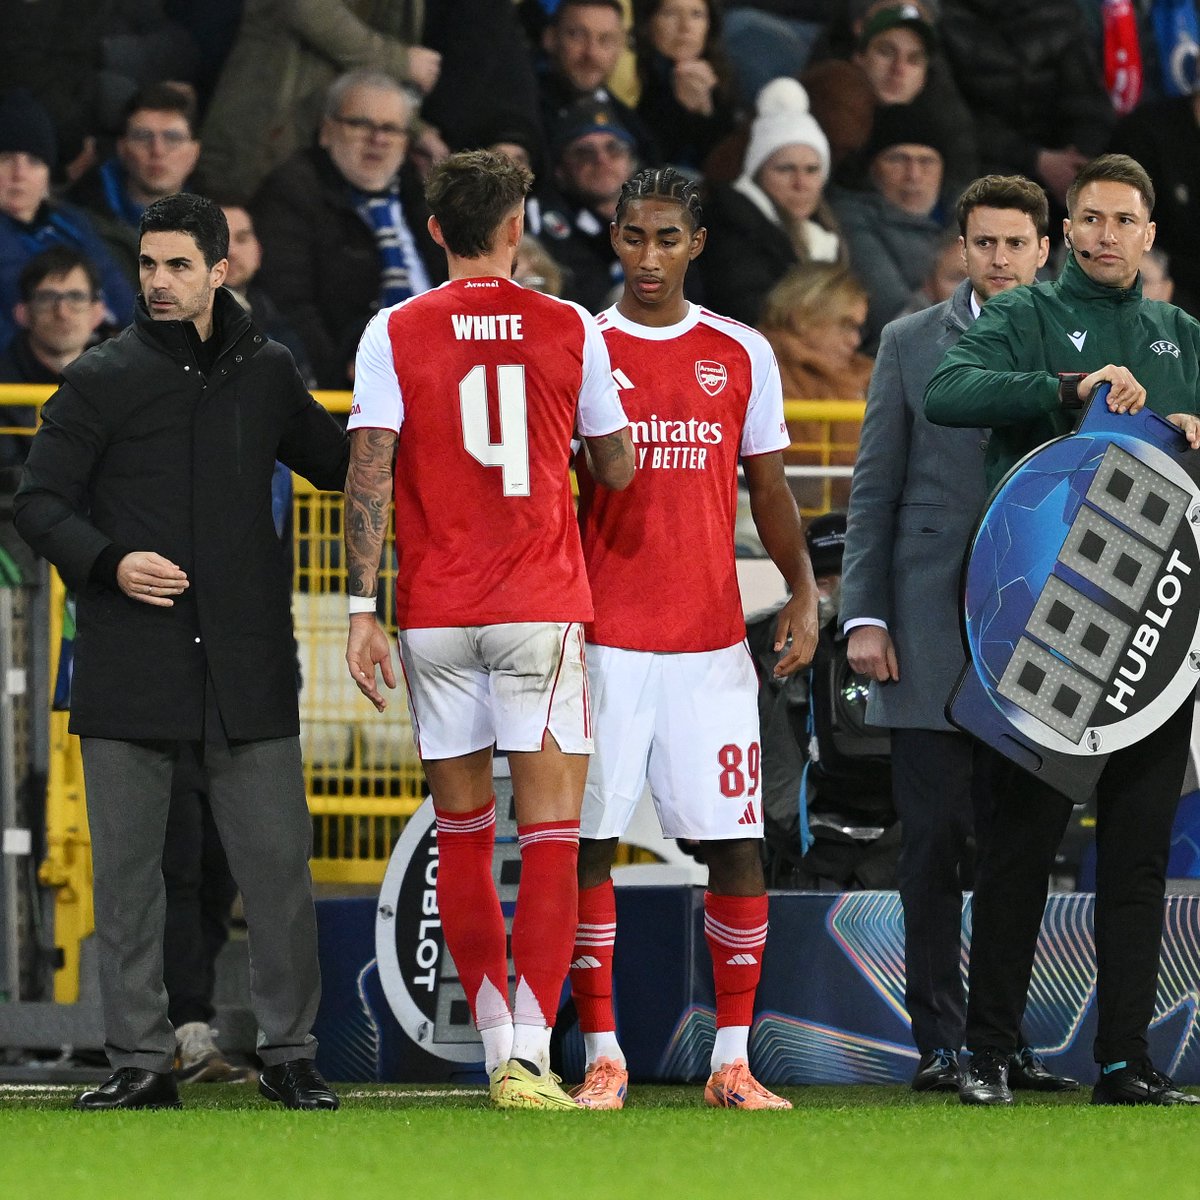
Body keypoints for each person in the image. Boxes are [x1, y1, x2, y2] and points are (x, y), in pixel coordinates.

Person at [13, 193, 349, 1112]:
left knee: (278, 871)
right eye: (148, 267)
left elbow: (345, 464)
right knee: (129, 880)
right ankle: (139, 1061)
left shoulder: (271, 372)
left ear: (219, 271)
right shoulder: (101, 377)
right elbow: (37, 503)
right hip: (131, 658)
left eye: (177, 266)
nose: (158, 282)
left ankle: (291, 1054)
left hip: (245, 666)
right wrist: (112, 562)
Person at [342, 149, 634, 1110]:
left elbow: (371, 472)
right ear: (518, 227)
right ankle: (533, 1057)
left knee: (463, 833)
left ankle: (494, 1045)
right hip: (539, 610)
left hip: (436, 614)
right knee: (550, 835)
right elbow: (619, 467)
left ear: (434, 232)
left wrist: (360, 609)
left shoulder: (393, 330)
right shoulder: (573, 329)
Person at [925, 154, 1200, 1106]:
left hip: (1154, 632)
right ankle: (989, 1052)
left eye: (1126, 220)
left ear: (1148, 235)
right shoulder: (1024, 314)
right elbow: (946, 393)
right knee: (1018, 851)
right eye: (1091, 219)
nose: (1107, 235)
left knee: (1135, 856)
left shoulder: (1179, 334)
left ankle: (1126, 1061)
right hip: (1045, 622)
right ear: (1068, 231)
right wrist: (1064, 384)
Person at [568, 166, 820, 1111]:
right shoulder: (582, 346)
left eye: (667, 238)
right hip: (602, 643)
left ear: (697, 244)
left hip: (712, 647)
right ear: (615, 238)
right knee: (589, 842)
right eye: (633, 236)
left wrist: (801, 592)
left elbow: (769, 488)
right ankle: (604, 1055)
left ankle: (732, 1060)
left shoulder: (741, 351)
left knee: (737, 845)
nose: (648, 256)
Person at [840, 174, 1076, 1095]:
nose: (1003, 259)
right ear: (963, 250)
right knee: (933, 840)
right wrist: (864, 615)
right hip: (928, 626)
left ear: (1043, 250)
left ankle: (1000, 1043)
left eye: (1018, 244)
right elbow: (874, 487)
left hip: (1045, 630)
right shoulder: (907, 342)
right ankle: (941, 1047)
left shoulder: (1077, 348)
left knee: (1023, 849)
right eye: (986, 244)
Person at [251, 70, 445, 390]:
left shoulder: (424, 195)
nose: (378, 139)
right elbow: (289, 306)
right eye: (361, 124)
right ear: (327, 131)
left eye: (391, 129)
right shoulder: (293, 191)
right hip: (353, 388)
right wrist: (344, 377)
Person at [197, 0, 441, 203]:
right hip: (260, 145)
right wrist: (399, 61)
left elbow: (362, 58)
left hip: (329, 155)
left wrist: (411, 128)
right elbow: (308, 10)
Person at [0, 89, 136, 354]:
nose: (20, 174)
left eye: (34, 161)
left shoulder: (74, 223)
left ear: (48, 175)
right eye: (6, 159)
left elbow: (122, 300)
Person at [700, 77, 843, 327]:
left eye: (811, 170)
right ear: (757, 174)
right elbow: (752, 317)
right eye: (786, 169)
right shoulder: (731, 226)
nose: (800, 183)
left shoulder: (826, 236)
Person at [831, 97, 953, 351]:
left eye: (926, 161)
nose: (914, 175)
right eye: (898, 159)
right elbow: (893, 315)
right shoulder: (854, 220)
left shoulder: (965, 218)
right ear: (873, 169)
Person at [758, 263, 872, 509]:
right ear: (802, 317)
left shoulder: (866, 370)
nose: (855, 340)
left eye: (858, 328)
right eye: (846, 325)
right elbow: (804, 478)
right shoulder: (764, 369)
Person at [67, 82, 202, 289]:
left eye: (172, 138)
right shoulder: (76, 221)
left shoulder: (218, 225)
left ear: (194, 152)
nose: (157, 150)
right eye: (143, 137)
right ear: (122, 149)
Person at [0, 248, 106, 470]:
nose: (63, 312)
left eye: (75, 297)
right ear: (23, 313)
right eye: (47, 298)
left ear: (97, 313)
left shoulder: (122, 376)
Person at [538, 98, 639, 312]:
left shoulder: (659, 222)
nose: (602, 160)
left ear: (631, 163)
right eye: (583, 153)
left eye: (614, 148)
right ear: (561, 172)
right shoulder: (553, 232)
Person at [536, 0, 660, 167]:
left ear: (620, 47)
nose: (592, 53)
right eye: (577, 35)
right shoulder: (522, 108)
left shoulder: (630, 123)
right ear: (550, 39)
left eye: (605, 39)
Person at [632, 0, 738, 173]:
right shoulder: (633, 77)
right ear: (649, 22)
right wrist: (679, 108)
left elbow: (727, 167)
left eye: (696, 15)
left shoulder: (722, 77)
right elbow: (644, 157)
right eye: (670, 14)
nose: (685, 27)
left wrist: (707, 112)